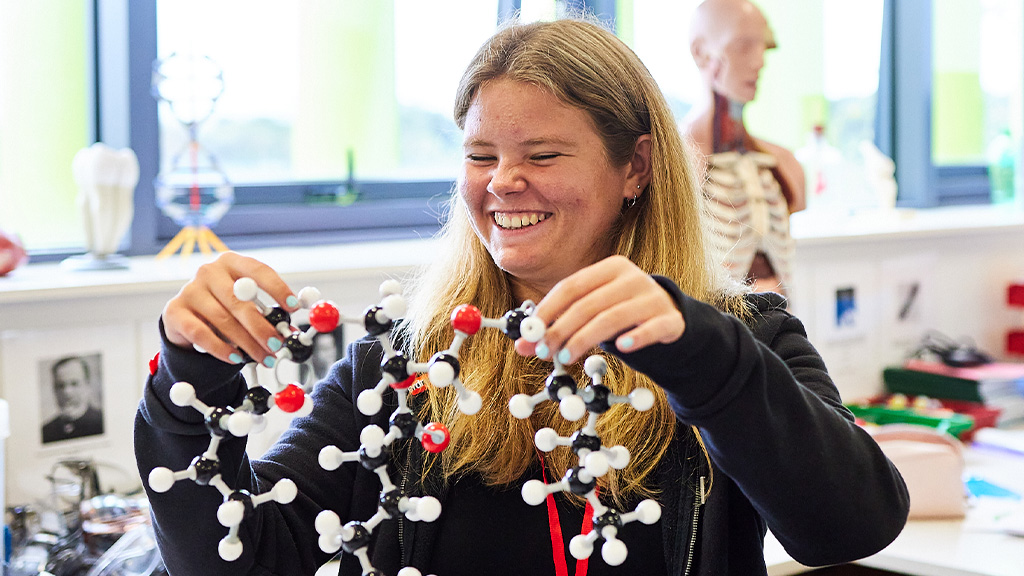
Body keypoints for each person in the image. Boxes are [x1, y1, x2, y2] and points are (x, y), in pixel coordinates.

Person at [135, 17, 908, 576]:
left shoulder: (742, 340)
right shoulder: (403, 369)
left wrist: (699, 352)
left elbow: (849, 526)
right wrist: (185, 387)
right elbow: (244, 557)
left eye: (542, 154)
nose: (503, 181)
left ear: (635, 167)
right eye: (480, 154)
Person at [680, 0, 806, 294]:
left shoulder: (783, 164)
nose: (759, 61)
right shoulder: (677, 162)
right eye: (743, 46)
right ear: (700, 52)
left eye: (763, 48)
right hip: (711, 331)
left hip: (780, 332)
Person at [43, 355, 104, 443]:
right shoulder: (46, 431)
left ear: (88, 386)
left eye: (74, 384)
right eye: (60, 386)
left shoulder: (101, 422)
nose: (67, 392)